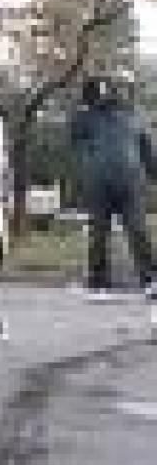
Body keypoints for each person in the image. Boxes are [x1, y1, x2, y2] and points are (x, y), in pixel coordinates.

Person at [70, 75, 157, 299]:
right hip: (102, 183)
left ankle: (150, 280)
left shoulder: (134, 116)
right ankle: (99, 282)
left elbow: (147, 151)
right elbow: (75, 137)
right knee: (100, 233)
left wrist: (153, 174)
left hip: (128, 183)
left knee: (136, 230)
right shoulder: (89, 117)